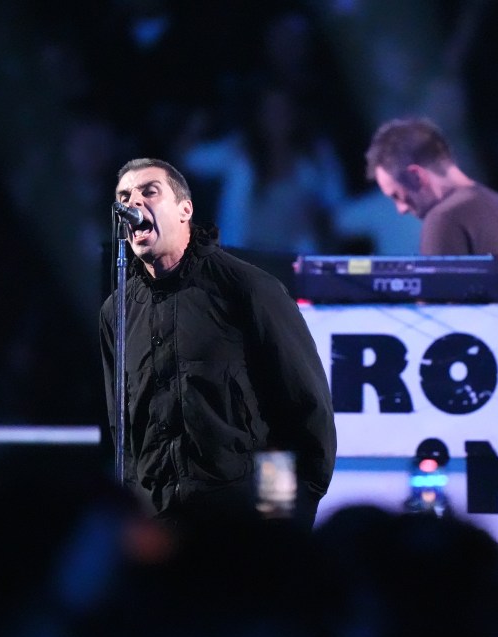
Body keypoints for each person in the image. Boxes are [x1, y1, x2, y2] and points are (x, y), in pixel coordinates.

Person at [99, 158, 336, 531]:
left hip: (243, 527)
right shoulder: (118, 311)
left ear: (185, 210)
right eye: (125, 196)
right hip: (160, 532)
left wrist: (281, 519)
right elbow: (121, 432)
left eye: (149, 192)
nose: (134, 203)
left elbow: (304, 414)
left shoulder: (246, 289)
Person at [365, 117, 498, 303]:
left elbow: (433, 321)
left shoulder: (444, 218)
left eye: (397, 196)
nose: (401, 209)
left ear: (416, 176)